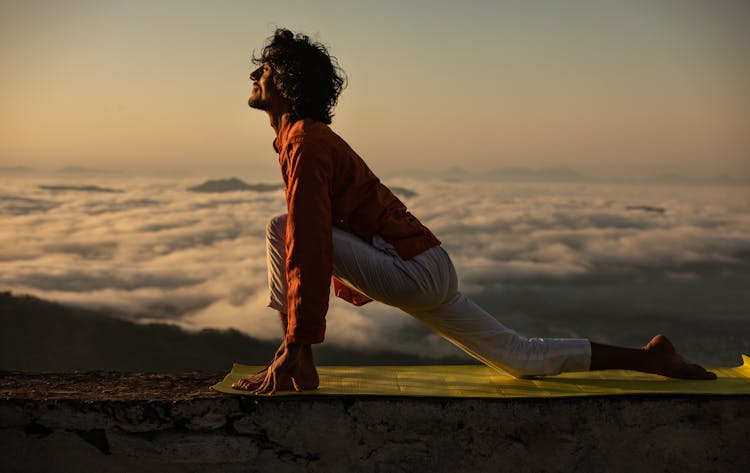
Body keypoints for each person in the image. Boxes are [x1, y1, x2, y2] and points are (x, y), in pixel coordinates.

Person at [232, 29, 716, 394]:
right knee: (520, 358)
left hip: (411, 271)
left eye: (266, 67)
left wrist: (298, 343)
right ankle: (654, 359)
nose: (255, 74)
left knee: (284, 228)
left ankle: (296, 358)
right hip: (430, 266)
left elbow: (310, 244)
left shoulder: (305, 143)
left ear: (288, 80)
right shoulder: (305, 139)